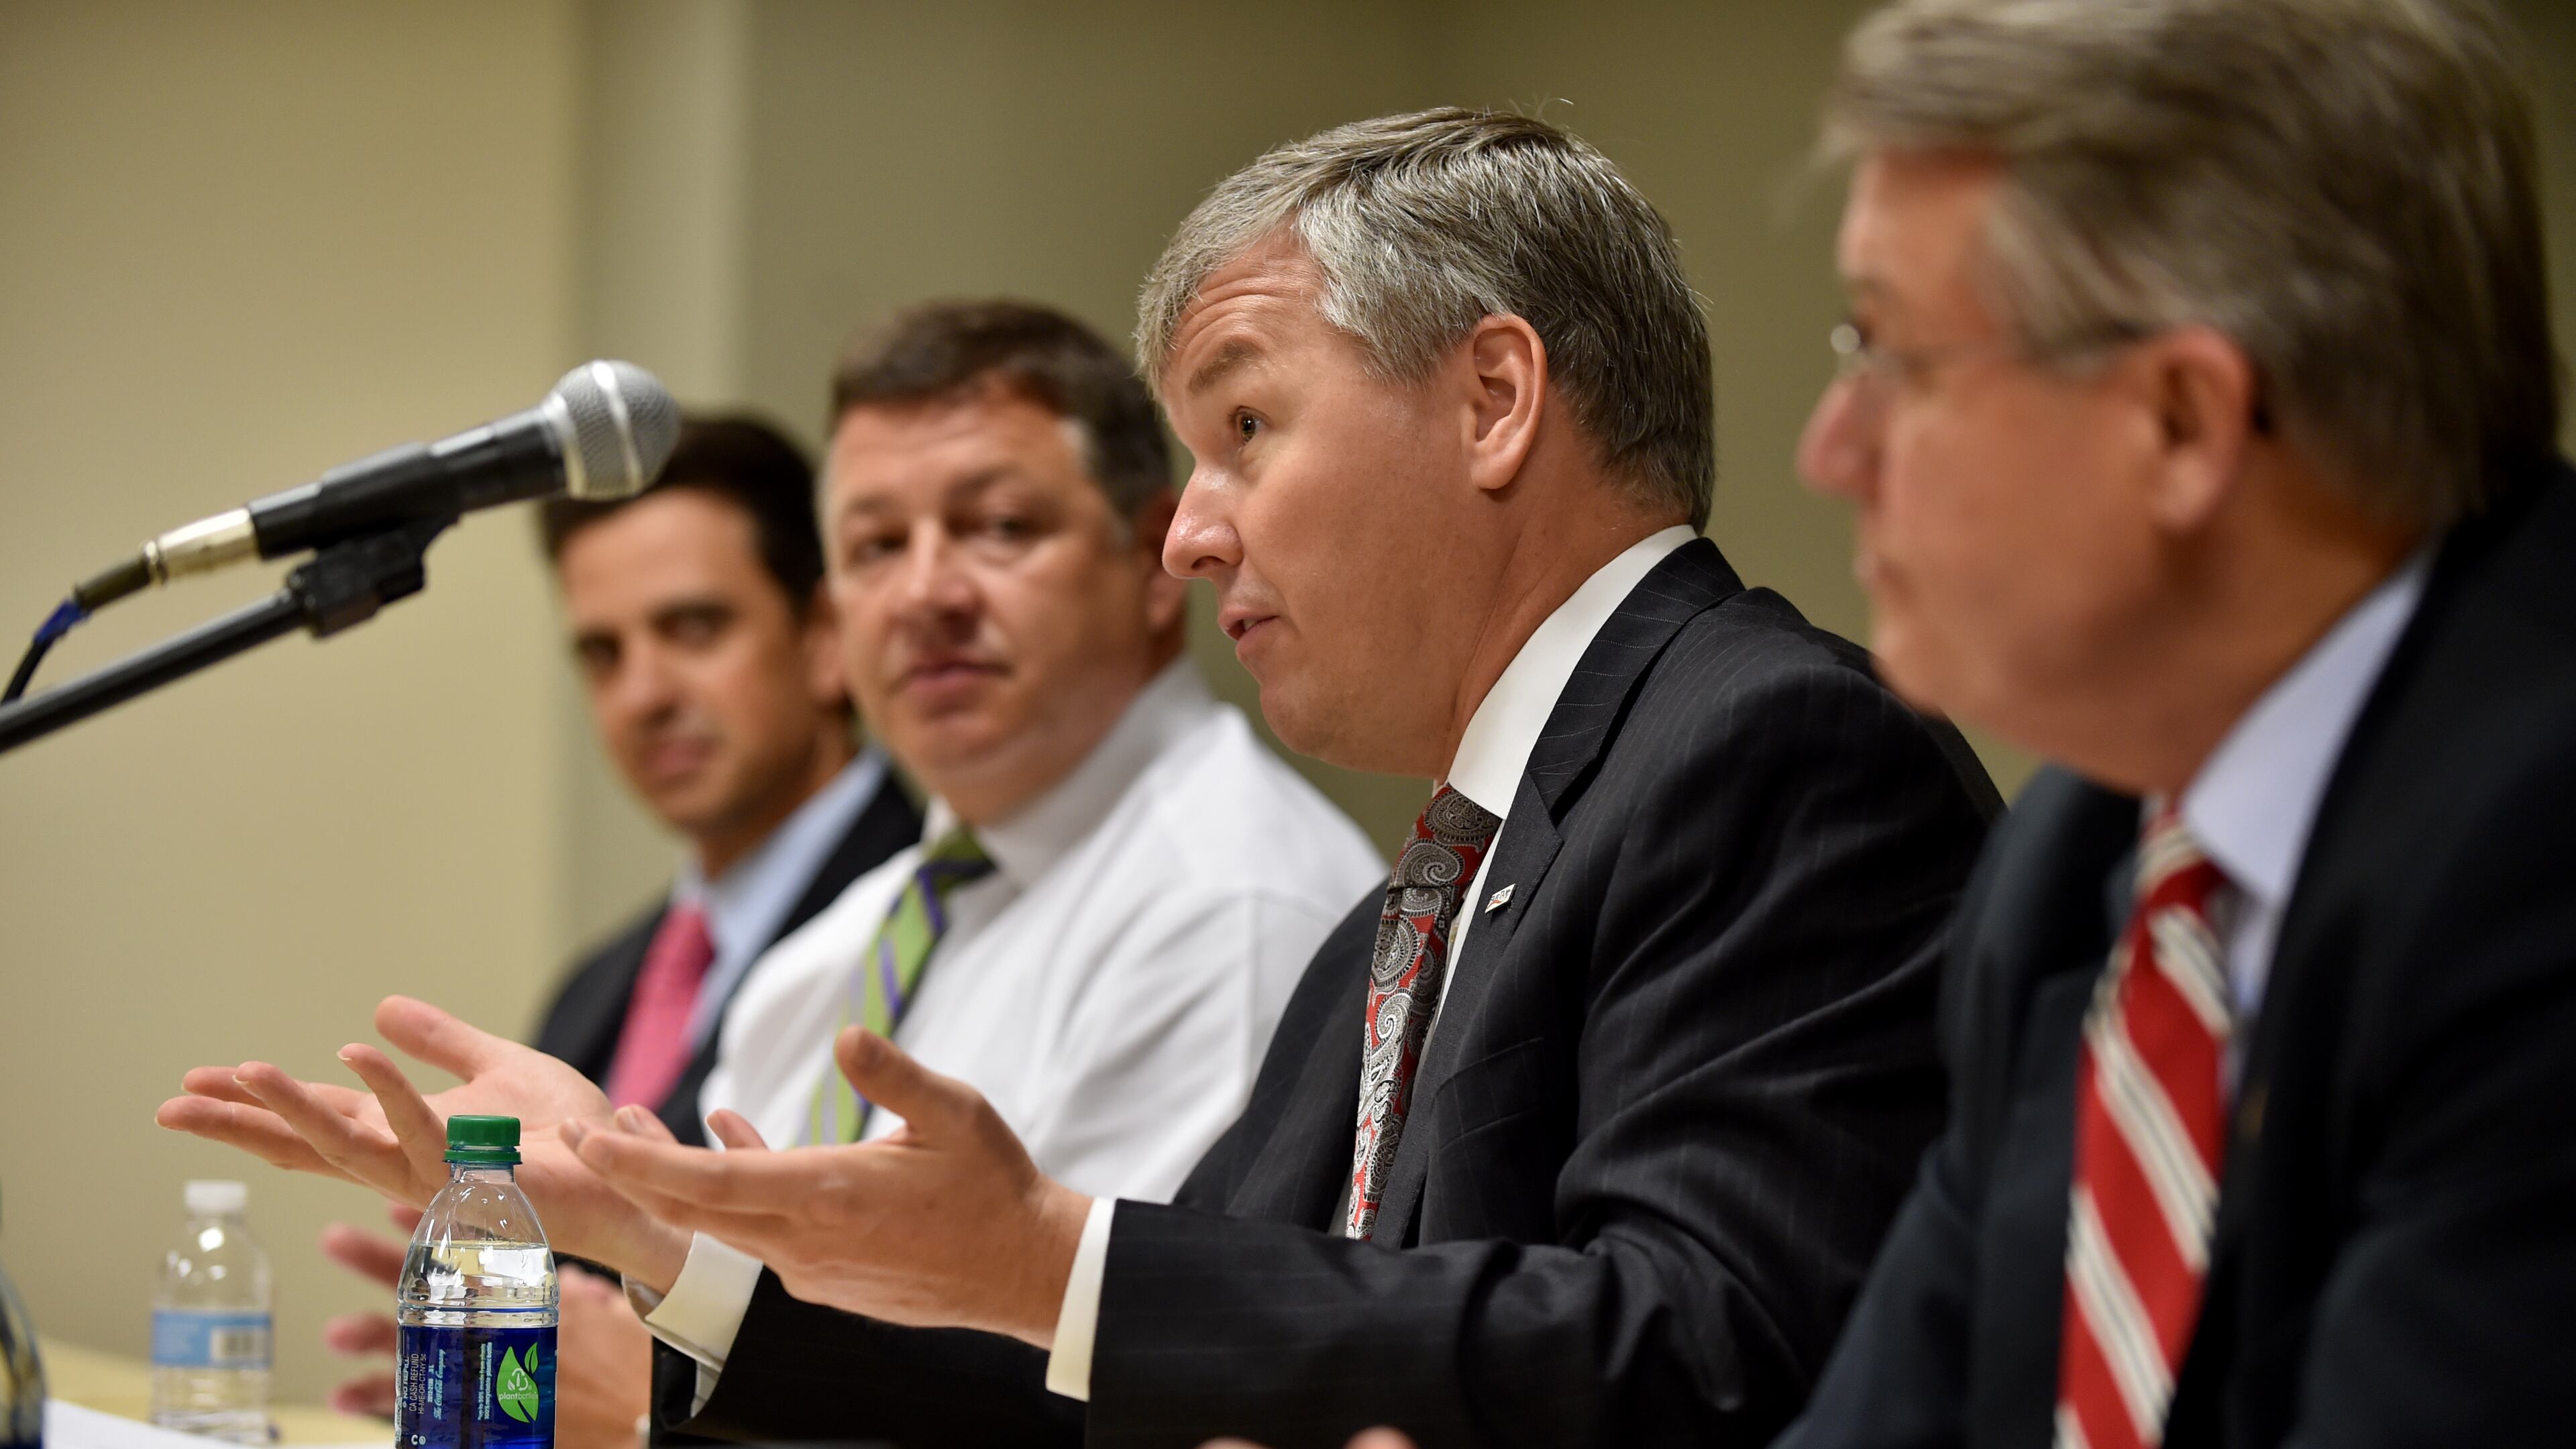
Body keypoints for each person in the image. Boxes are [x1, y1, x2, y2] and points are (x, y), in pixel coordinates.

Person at [169, 112, 2000, 1448]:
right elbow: (1157, 1349)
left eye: (1246, 426)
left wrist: (1042, 1255)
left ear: (1494, 399)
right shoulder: (1429, 882)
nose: (1190, 533)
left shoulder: (1769, 748)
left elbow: (1714, 1347)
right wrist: (676, 1241)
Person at [162, 297, 1389, 1431]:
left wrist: (646, 1403)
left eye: (997, 527)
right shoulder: (851, 938)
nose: (925, 594)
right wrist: (599, 1251)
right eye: (872, 545)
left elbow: (1102, 1405)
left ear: (1149, 557)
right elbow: (776, 1324)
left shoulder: (1231, 902)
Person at [1774, 1, 2576, 1446]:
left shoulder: (2538, 857)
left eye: (1891, 353)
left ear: (2186, 423)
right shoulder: (2085, 855)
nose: (1830, 448)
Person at [312, 415, 922, 1433]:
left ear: (825, 640)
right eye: (603, 652)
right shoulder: (606, 978)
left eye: (693, 629)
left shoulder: (922, 927)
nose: (642, 694)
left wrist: (645, 1411)